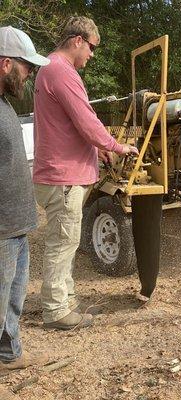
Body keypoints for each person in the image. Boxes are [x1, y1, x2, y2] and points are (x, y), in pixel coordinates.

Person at [33, 16, 139, 331]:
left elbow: (66, 129)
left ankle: (67, 301)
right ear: (78, 40)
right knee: (62, 244)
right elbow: (86, 122)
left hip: (59, 174)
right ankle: (55, 311)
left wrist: (97, 150)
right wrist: (118, 147)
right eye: (91, 48)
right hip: (63, 178)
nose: (92, 55)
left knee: (66, 241)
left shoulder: (49, 69)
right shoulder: (61, 71)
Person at [0, 26, 49, 373]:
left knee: (13, 302)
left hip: (17, 225)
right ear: (5, 64)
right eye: (25, 66)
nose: (29, 73)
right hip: (1, 228)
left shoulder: (4, 105)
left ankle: (8, 354)